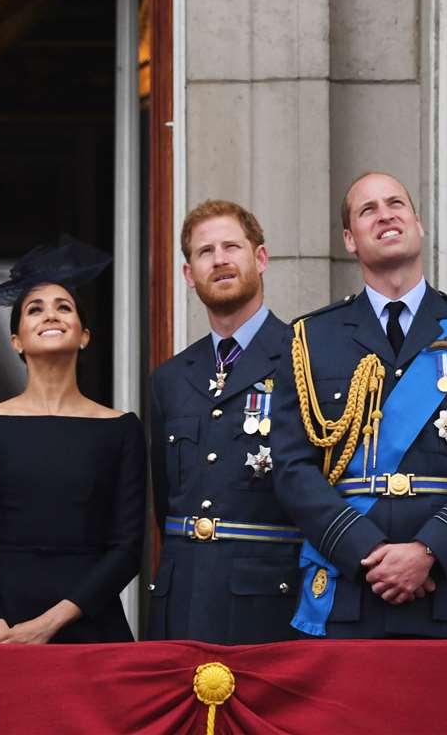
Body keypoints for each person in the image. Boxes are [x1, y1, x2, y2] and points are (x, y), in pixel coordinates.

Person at [271, 172, 447, 638]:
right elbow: (291, 467)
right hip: (350, 589)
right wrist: (365, 550)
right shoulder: (310, 339)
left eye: (396, 204)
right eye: (367, 210)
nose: (385, 214)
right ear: (350, 239)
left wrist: (429, 550)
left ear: (418, 223)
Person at [0, 238, 146, 644]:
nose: (49, 315)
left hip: (89, 625)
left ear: (85, 334)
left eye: (64, 306)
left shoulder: (121, 428)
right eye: (34, 309)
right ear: (17, 340)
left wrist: (48, 625)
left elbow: (127, 549)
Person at [146, 200, 302, 643]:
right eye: (205, 251)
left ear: (261, 258)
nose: (219, 260)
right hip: (182, 599)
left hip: (269, 601)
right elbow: (166, 500)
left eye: (232, 246)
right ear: (188, 274)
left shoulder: (304, 358)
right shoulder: (171, 378)